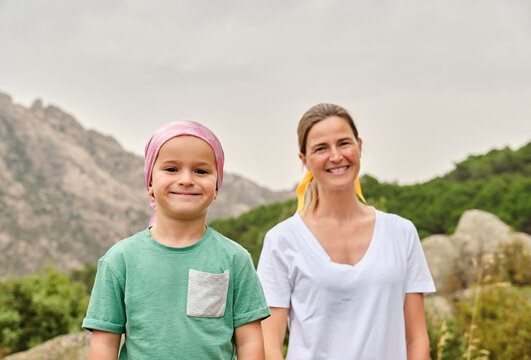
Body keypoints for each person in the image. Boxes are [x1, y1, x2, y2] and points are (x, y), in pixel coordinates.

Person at [257, 103, 436, 360]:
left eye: (343, 143)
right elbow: (268, 345)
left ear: (359, 146)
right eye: (321, 148)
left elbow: (417, 338)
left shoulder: (401, 232)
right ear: (304, 161)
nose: (336, 156)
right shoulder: (282, 240)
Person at [83, 121, 270, 360]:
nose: (186, 179)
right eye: (171, 169)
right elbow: (104, 344)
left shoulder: (235, 259)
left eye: (201, 171)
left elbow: (250, 341)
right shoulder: (120, 260)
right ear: (150, 182)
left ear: (216, 187)